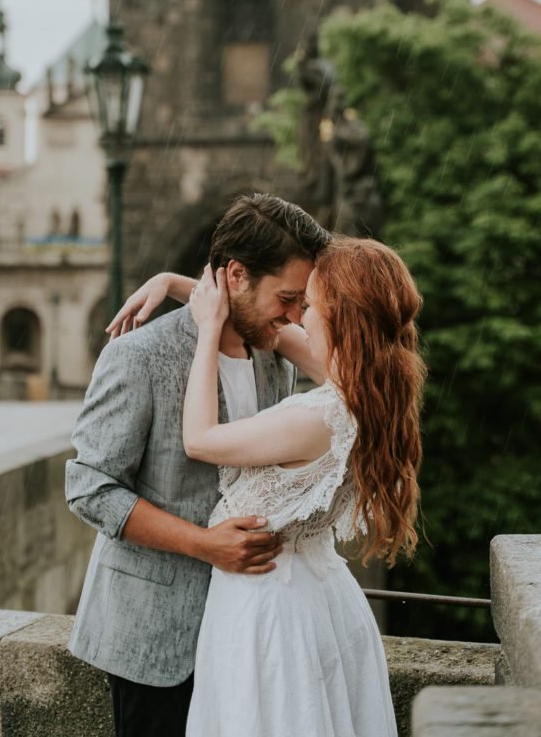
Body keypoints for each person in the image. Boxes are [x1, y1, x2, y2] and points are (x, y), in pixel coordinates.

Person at [120, 235, 425, 737]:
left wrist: (207, 329)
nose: (299, 317)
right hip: (314, 596)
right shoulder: (368, 389)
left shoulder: (319, 415)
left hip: (272, 611)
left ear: (339, 318)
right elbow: (274, 332)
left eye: (312, 305)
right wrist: (181, 285)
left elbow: (200, 439)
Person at [65, 193, 331, 737]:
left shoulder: (273, 355)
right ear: (235, 275)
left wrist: (172, 279)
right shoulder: (139, 356)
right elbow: (89, 488)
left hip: (247, 632)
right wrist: (203, 544)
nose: (294, 315)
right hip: (154, 642)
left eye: (302, 303)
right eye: (286, 297)